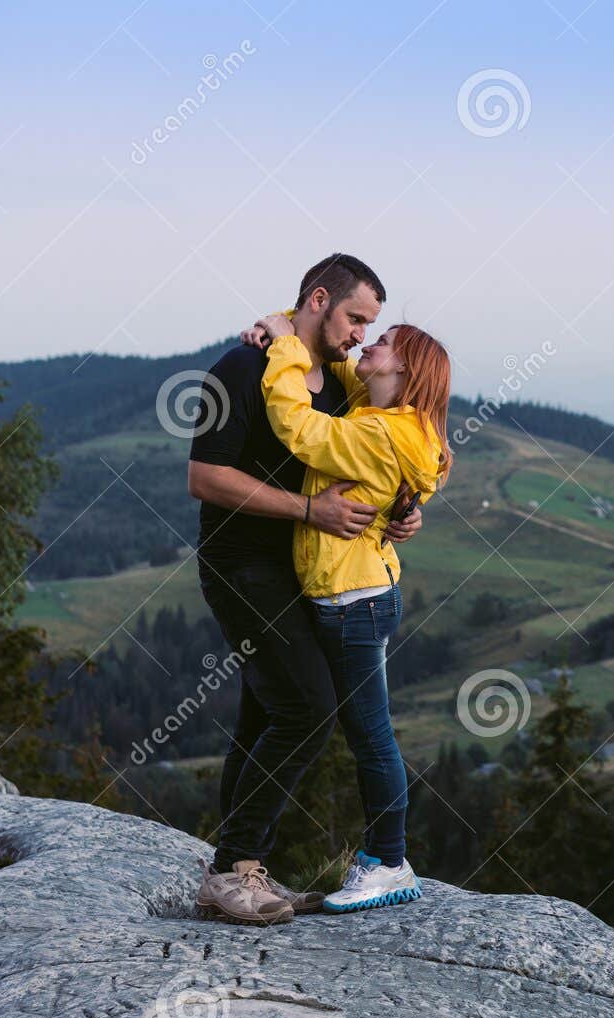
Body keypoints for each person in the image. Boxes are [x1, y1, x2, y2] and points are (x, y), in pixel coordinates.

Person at [188, 254, 422, 926]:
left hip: (305, 573)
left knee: (264, 713)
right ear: (318, 300)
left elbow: (387, 446)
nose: (359, 335)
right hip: (241, 565)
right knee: (308, 707)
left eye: (370, 326)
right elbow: (205, 479)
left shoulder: (341, 381)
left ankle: (237, 869)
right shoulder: (243, 367)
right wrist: (308, 511)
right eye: (355, 318)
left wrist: (405, 508)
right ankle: (236, 868)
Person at [248, 310, 453, 912]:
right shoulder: (398, 421)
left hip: (351, 602)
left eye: (382, 341)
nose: (367, 341)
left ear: (406, 369)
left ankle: (388, 860)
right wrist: (294, 322)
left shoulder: (377, 434)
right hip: (363, 593)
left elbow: (298, 427)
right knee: (365, 731)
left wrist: (286, 347)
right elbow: (347, 367)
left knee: (371, 738)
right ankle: (384, 855)